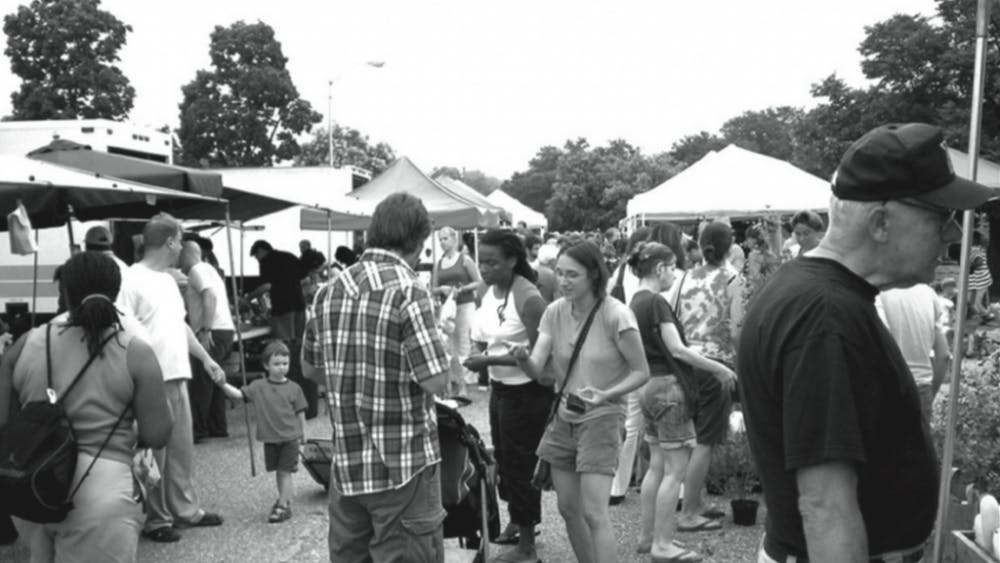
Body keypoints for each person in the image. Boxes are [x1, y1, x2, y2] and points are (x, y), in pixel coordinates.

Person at [739, 123, 997, 562]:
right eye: (942, 217)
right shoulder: (825, 316)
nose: (954, 233)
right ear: (880, 223)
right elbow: (825, 507)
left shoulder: (815, 294)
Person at [302, 192, 450, 562]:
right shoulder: (409, 289)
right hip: (403, 463)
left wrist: (349, 381)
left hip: (347, 461)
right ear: (419, 241)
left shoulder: (328, 291)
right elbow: (435, 380)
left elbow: (309, 369)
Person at [0, 252, 172, 562]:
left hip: (29, 486)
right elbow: (158, 434)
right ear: (116, 292)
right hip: (100, 492)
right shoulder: (135, 352)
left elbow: (3, 420)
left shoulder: (25, 344)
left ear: (64, 293)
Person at [508, 241, 650, 563]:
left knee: (594, 513)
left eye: (572, 274)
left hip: (603, 417)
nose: (563, 281)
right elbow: (537, 369)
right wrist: (523, 359)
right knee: (568, 509)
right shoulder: (554, 311)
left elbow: (642, 372)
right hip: (564, 416)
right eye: (559, 273)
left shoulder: (616, 314)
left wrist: (605, 394)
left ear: (594, 275)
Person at [117, 213, 226, 543]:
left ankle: (185, 510)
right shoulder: (130, 279)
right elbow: (123, 331)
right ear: (169, 242)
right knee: (156, 452)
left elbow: (179, 326)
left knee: (180, 450)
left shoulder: (167, 281)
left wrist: (205, 358)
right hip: (152, 379)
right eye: (180, 241)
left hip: (178, 374)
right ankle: (156, 518)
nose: (182, 247)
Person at [628, 241, 732, 563]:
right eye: (672, 267)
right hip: (668, 389)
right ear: (660, 268)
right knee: (675, 471)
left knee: (656, 466)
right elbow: (677, 349)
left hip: (647, 386)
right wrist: (719, 368)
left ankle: (647, 537)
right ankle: (662, 544)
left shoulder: (635, 301)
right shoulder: (656, 302)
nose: (674, 274)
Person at [463, 230, 551, 563]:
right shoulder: (489, 290)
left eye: (492, 262)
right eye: (482, 261)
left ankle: (527, 547)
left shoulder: (528, 298)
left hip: (526, 392)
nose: (484, 268)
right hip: (501, 389)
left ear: (513, 260)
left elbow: (541, 357)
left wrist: (487, 361)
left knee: (520, 465)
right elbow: (486, 335)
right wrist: (478, 350)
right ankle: (518, 520)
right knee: (501, 457)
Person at [668, 221, 740, 532]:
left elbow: (671, 317)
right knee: (706, 441)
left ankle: (694, 503)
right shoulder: (733, 279)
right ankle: (688, 513)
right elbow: (736, 329)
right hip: (716, 365)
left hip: (686, 361)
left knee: (691, 436)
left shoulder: (683, 278)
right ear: (730, 246)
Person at [215, 341, 306, 524]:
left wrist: (303, 434)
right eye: (276, 364)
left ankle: (283, 505)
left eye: (285, 363)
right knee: (279, 472)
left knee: (285, 472)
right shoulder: (258, 386)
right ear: (266, 365)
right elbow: (238, 395)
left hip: (290, 438)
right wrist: (223, 384)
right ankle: (284, 500)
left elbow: (300, 412)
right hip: (271, 438)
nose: (281, 367)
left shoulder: (294, 388)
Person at [179, 241, 235, 442]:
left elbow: (209, 296)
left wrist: (206, 329)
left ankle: (198, 430)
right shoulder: (210, 269)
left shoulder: (196, 269)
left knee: (201, 380)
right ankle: (217, 426)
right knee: (215, 378)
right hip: (225, 329)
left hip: (212, 330)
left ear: (186, 254)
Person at [877, 284, 950, 420]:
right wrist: (929, 395)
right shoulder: (928, 293)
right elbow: (944, 356)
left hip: (886, 390)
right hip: (922, 387)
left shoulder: (877, 292)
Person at [431, 226, 483, 397]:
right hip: (447, 308)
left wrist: (462, 289)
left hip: (464, 304)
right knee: (449, 344)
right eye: (440, 239)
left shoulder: (465, 260)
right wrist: (442, 289)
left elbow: (478, 281)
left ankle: (465, 382)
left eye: (445, 238)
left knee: (463, 341)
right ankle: (456, 380)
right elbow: (433, 288)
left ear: (454, 239)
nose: (442, 242)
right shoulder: (438, 264)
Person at [247, 240, 307, 342]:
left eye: (256, 256)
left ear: (261, 250)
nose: (257, 259)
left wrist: (248, 298)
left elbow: (266, 286)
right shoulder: (289, 256)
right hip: (299, 305)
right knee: (299, 342)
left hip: (282, 308)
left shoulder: (266, 261)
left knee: (283, 343)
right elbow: (305, 279)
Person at [968, 231, 993, 319]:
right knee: (974, 301)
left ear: (974, 239)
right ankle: (985, 315)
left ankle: (985, 315)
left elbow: (979, 261)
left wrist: (970, 267)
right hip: (981, 279)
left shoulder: (975, 249)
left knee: (975, 302)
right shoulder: (980, 248)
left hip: (981, 280)